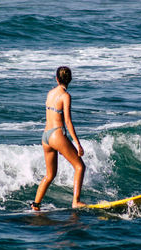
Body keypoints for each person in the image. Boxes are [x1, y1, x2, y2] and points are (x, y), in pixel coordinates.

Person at [31, 66, 86, 211]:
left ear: (56, 78)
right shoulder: (65, 96)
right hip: (57, 134)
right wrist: (77, 143)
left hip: (45, 136)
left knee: (50, 174)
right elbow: (67, 121)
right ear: (70, 80)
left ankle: (35, 205)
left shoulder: (50, 93)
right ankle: (76, 201)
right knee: (80, 167)